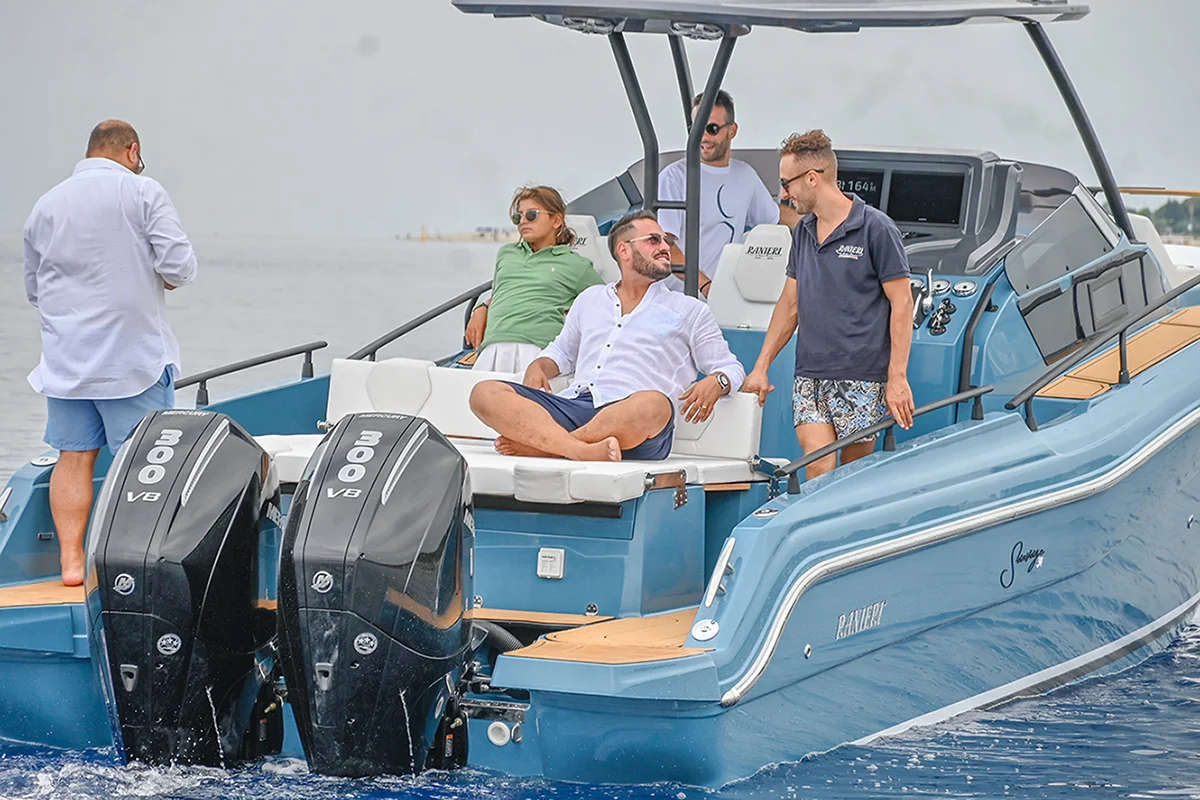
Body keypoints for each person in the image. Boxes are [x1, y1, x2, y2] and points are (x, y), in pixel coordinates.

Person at [23, 120, 197, 586]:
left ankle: (71, 563)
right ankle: (131, 565)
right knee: (143, 464)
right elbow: (180, 267)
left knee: (74, 457)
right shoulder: (142, 192)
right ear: (131, 151)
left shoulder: (47, 203)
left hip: (67, 362)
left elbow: (35, 289)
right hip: (131, 360)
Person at [469, 210, 745, 462]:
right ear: (624, 250)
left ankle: (548, 447)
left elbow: (730, 367)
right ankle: (576, 449)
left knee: (655, 403)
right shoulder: (590, 299)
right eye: (654, 240)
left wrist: (717, 381)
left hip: (634, 423)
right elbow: (562, 353)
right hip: (576, 404)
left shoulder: (691, 310)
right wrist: (539, 366)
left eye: (667, 241)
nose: (665, 247)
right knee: (485, 393)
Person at [742, 130, 914, 481]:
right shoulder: (803, 231)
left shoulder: (876, 228)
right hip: (810, 374)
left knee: (851, 476)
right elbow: (790, 304)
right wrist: (761, 366)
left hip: (861, 376)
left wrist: (897, 377)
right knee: (818, 465)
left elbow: (902, 303)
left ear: (812, 178)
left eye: (786, 183)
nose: (783, 194)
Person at [657, 90, 801, 296]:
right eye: (696, 128)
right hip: (679, 301)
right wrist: (706, 286)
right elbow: (663, 245)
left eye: (712, 129)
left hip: (723, 301)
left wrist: (824, 223)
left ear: (732, 131)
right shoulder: (674, 178)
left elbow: (776, 217)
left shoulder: (745, 176)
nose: (703, 136)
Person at [465, 186, 604, 372]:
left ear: (556, 220)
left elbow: (607, 304)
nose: (523, 221)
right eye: (518, 217)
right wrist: (481, 309)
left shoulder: (577, 265)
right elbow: (501, 293)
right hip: (494, 346)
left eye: (531, 215)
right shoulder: (506, 254)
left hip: (538, 350)